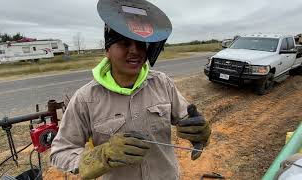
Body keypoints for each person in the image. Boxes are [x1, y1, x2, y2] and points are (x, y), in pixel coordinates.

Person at [50, 0, 211, 179]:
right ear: (108, 51)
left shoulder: (162, 83)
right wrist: (103, 155)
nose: (134, 50)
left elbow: (187, 120)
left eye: (140, 44)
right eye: (125, 43)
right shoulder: (85, 98)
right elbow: (60, 152)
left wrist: (200, 131)